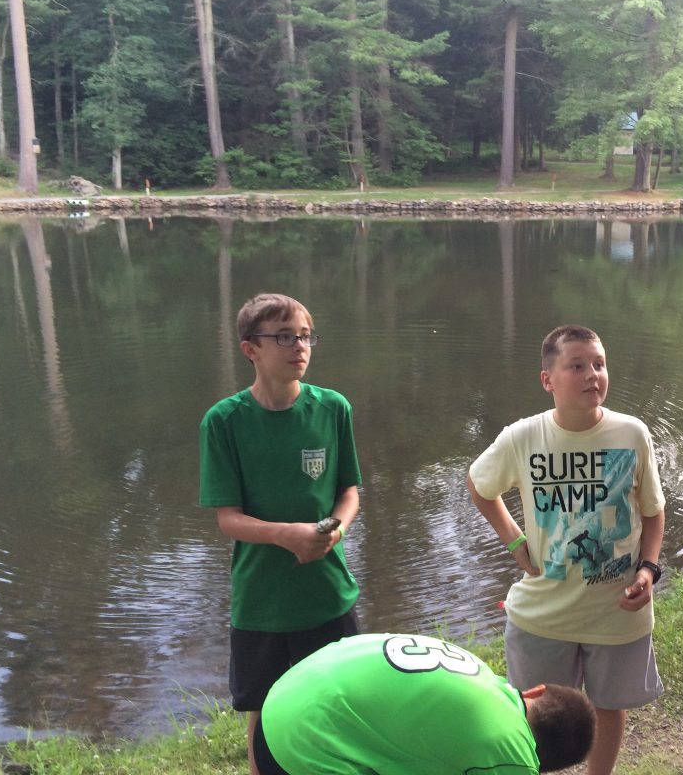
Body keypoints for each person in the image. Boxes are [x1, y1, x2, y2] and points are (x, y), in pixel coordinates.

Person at [467, 324, 667, 775]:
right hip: (544, 613)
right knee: (532, 714)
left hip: (615, 611)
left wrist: (648, 570)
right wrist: (516, 541)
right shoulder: (523, 437)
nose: (592, 374)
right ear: (548, 380)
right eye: (577, 365)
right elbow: (480, 486)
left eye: (599, 364)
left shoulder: (631, 434)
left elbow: (653, 513)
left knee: (608, 706)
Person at [199, 293, 365, 775]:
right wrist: (285, 535)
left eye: (306, 335)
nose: (300, 346)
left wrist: (334, 531)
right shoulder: (224, 421)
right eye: (284, 336)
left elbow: (349, 492)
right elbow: (227, 518)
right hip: (261, 602)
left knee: (337, 705)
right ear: (250, 348)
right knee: (266, 714)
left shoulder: (332, 408)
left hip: (328, 593)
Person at [253, 632, 597, 774]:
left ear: (534, 691)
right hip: (302, 744)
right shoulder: (514, 757)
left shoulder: (482, 675)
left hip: (286, 693)